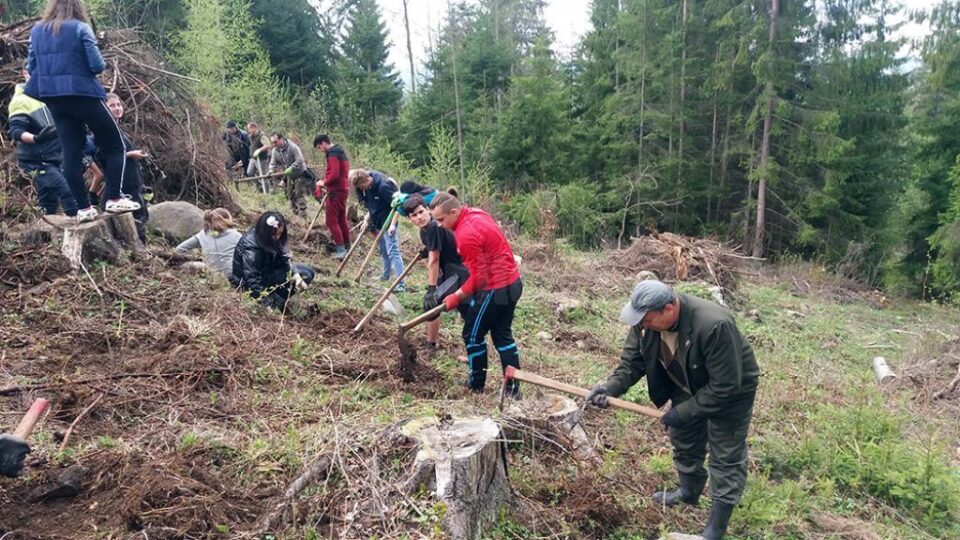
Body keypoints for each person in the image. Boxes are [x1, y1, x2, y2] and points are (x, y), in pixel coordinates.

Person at [585, 280, 760, 540]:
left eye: (648, 320)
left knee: (726, 454)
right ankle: (689, 492)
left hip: (731, 391)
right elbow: (631, 363)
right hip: (686, 381)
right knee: (684, 438)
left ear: (668, 309)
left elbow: (725, 386)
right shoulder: (644, 323)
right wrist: (609, 388)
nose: (643, 325)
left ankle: (716, 528)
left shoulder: (714, 325)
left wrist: (684, 412)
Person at [25, 0, 138, 222]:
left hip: (55, 99)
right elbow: (97, 65)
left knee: (71, 155)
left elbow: (31, 66)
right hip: (84, 94)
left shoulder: (37, 30)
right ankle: (114, 198)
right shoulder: (80, 28)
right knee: (116, 144)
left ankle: (84, 209)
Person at [428, 192, 522, 396]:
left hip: (496, 289)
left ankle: (476, 385)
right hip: (513, 283)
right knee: (502, 335)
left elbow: (480, 278)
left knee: (471, 335)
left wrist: (457, 296)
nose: (440, 225)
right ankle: (513, 390)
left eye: (441, 220)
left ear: (454, 212)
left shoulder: (465, 235)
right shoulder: (477, 213)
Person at [401, 194, 470, 353]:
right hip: (449, 271)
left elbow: (434, 260)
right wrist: (427, 250)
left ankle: (432, 344)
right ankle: (434, 343)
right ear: (409, 219)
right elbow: (437, 249)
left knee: (432, 303)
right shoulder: (424, 231)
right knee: (463, 310)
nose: (419, 217)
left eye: (421, 212)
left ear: (427, 209)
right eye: (414, 215)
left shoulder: (433, 227)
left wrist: (431, 289)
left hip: (459, 272)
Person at [7, 69, 77, 216]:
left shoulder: (50, 95)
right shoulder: (21, 100)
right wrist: (36, 138)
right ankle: (78, 222)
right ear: (26, 73)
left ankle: (44, 225)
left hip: (56, 157)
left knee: (49, 202)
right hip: (36, 161)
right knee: (69, 191)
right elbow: (16, 131)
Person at [230, 211, 315, 310]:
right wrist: (264, 302)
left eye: (280, 234)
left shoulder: (273, 240)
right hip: (249, 282)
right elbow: (252, 278)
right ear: (266, 232)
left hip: (267, 272)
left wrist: (295, 273)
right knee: (305, 275)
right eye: (274, 234)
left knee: (308, 272)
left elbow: (283, 260)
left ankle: (280, 299)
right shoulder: (252, 246)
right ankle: (275, 303)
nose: (277, 237)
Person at [98, 92, 149, 242]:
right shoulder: (102, 130)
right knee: (133, 218)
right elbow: (102, 156)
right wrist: (131, 154)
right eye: (112, 106)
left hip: (132, 180)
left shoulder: (118, 129)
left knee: (141, 216)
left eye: (119, 105)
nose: (117, 108)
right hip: (121, 185)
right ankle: (135, 247)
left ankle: (139, 246)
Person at [350, 168, 405, 290]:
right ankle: (386, 275)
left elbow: (399, 205)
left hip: (389, 221)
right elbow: (370, 204)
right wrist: (367, 218)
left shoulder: (383, 187)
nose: (361, 189)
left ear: (366, 180)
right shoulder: (363, 187)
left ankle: (401, 284)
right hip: (378, 220)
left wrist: (392, 224)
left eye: (361, 186)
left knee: (393, 251)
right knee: (384, 250)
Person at [314, 134, 351, 259]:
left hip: (336, 191)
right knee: (341, 219)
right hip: (343, 189)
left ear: (323, 143)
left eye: (319, 147)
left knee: (330, 220)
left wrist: (324, 182)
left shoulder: (333, 154)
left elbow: (334, 174)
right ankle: (347, 246)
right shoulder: (340, 152)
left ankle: (341, 250)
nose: (321, 150)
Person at [175, 208, 242, 278]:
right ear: (228, 220)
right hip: (231, 276)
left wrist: (193, 258)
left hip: (210, 274)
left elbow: (179, 249)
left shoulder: (202, 235)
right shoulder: (237, 236)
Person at [268, 132, 312, 218]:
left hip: (299, 172)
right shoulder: (275, 151)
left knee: (299, 193)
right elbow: (273, 163)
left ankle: (303, 213)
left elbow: (300, 159)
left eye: (275, 142)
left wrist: (292, 167)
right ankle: (294, 212)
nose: (274, 144)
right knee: (289, 194)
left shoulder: (292, 147)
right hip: (288, 174)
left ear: (281, 139)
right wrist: (270, 171)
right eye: (272, 142)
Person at [246, 122, 272, 192]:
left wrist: (259, 150)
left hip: (261, 159)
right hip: (253, 158)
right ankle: (258, 185)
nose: (249, 131)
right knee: (249, 172)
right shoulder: (251, 136)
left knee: (263, 176)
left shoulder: (262, 135)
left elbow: (268, 145)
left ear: (254, 128)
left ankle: (267, 192)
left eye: (249, 129)